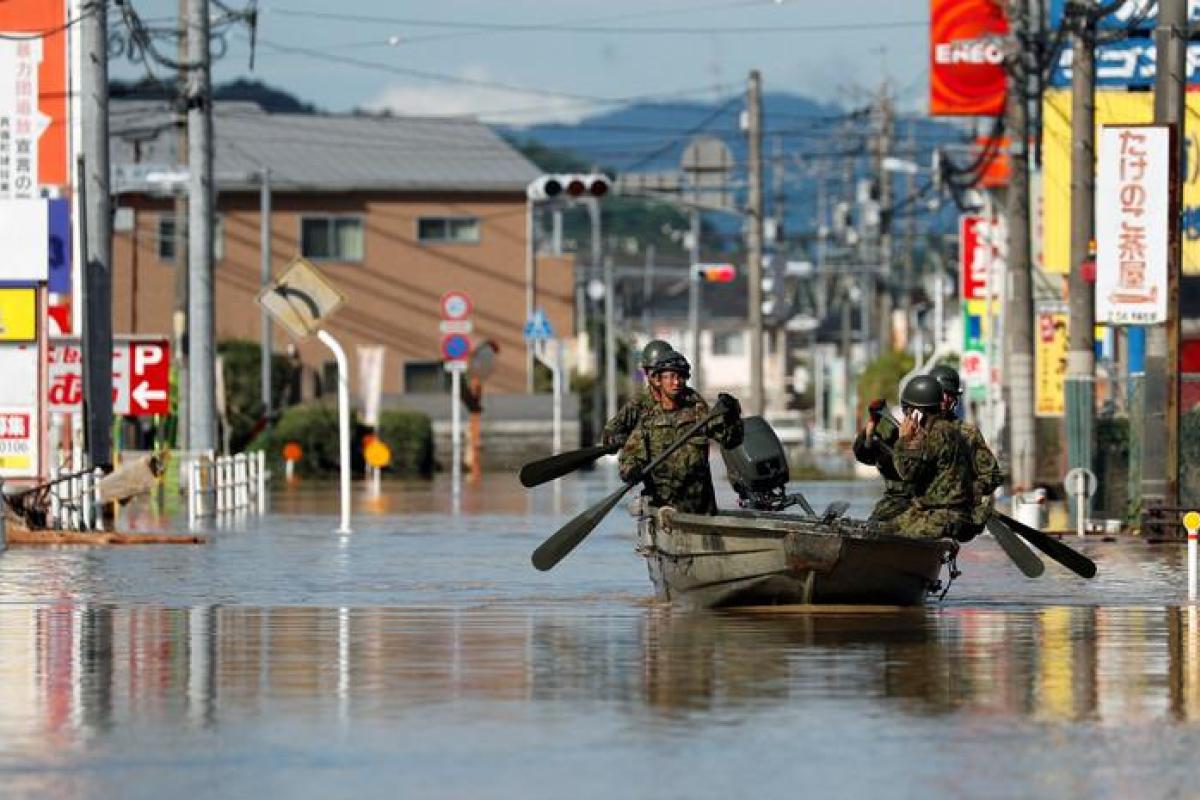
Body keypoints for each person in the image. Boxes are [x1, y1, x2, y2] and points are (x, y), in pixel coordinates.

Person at [618, 351, 743, 514]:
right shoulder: (648, 421)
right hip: (664, 510)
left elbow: (730, 440)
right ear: (658, 380)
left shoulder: (699, 413)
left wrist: (732, 415)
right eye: (670, 377)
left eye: (681, 377)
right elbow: (627, 461)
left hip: (700, 511)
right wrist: (632, 471)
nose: (676, 382)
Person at [887, 375, 972, 540]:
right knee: (884, 522)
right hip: (948, 513)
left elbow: (907, 474)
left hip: (942, 517)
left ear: (917, 411)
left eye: (908, 411)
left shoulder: (935, 435)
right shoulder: (947, 430)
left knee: (882, 532)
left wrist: (904, 440)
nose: (906, 416)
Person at [929, 364, 1003, 539]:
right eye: (941, 394)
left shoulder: (967, 433)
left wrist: (968, 490)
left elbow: (992, 475)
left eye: (950, 395)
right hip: (917, 510)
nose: (945, 399)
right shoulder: (912, 428)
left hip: (950, 512)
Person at [600, 339, 677, 449]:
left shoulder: (692, 402)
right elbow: (610, 433)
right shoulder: (638, 405)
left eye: (662, 370)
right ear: (646, 372)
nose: (658, 375)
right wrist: (620, 438)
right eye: (653, 370)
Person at [852, 398, 910, 522]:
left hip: (920, 502)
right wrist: (869, 432)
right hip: (895, 501)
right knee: (874, 523)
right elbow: (864, 455)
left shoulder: (930, 439)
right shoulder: (892, 440)